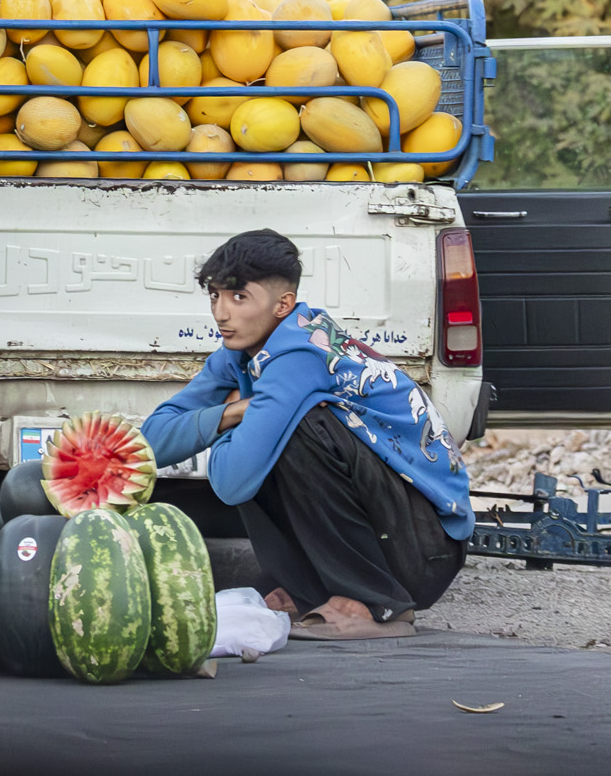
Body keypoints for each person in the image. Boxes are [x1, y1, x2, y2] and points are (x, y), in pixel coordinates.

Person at [141, 229, 472, 640]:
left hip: (425, 548)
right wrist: (233, 412)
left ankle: (372, 603)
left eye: (239, 297)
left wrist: (235, 418)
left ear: (283, 304)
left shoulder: (298, 352)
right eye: (214, 296)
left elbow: (231, 482)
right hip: (397, 532)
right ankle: (312, 591)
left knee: (297, 430)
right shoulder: (238, 355)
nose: (221, 313)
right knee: (272, 433)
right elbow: (151, 440)